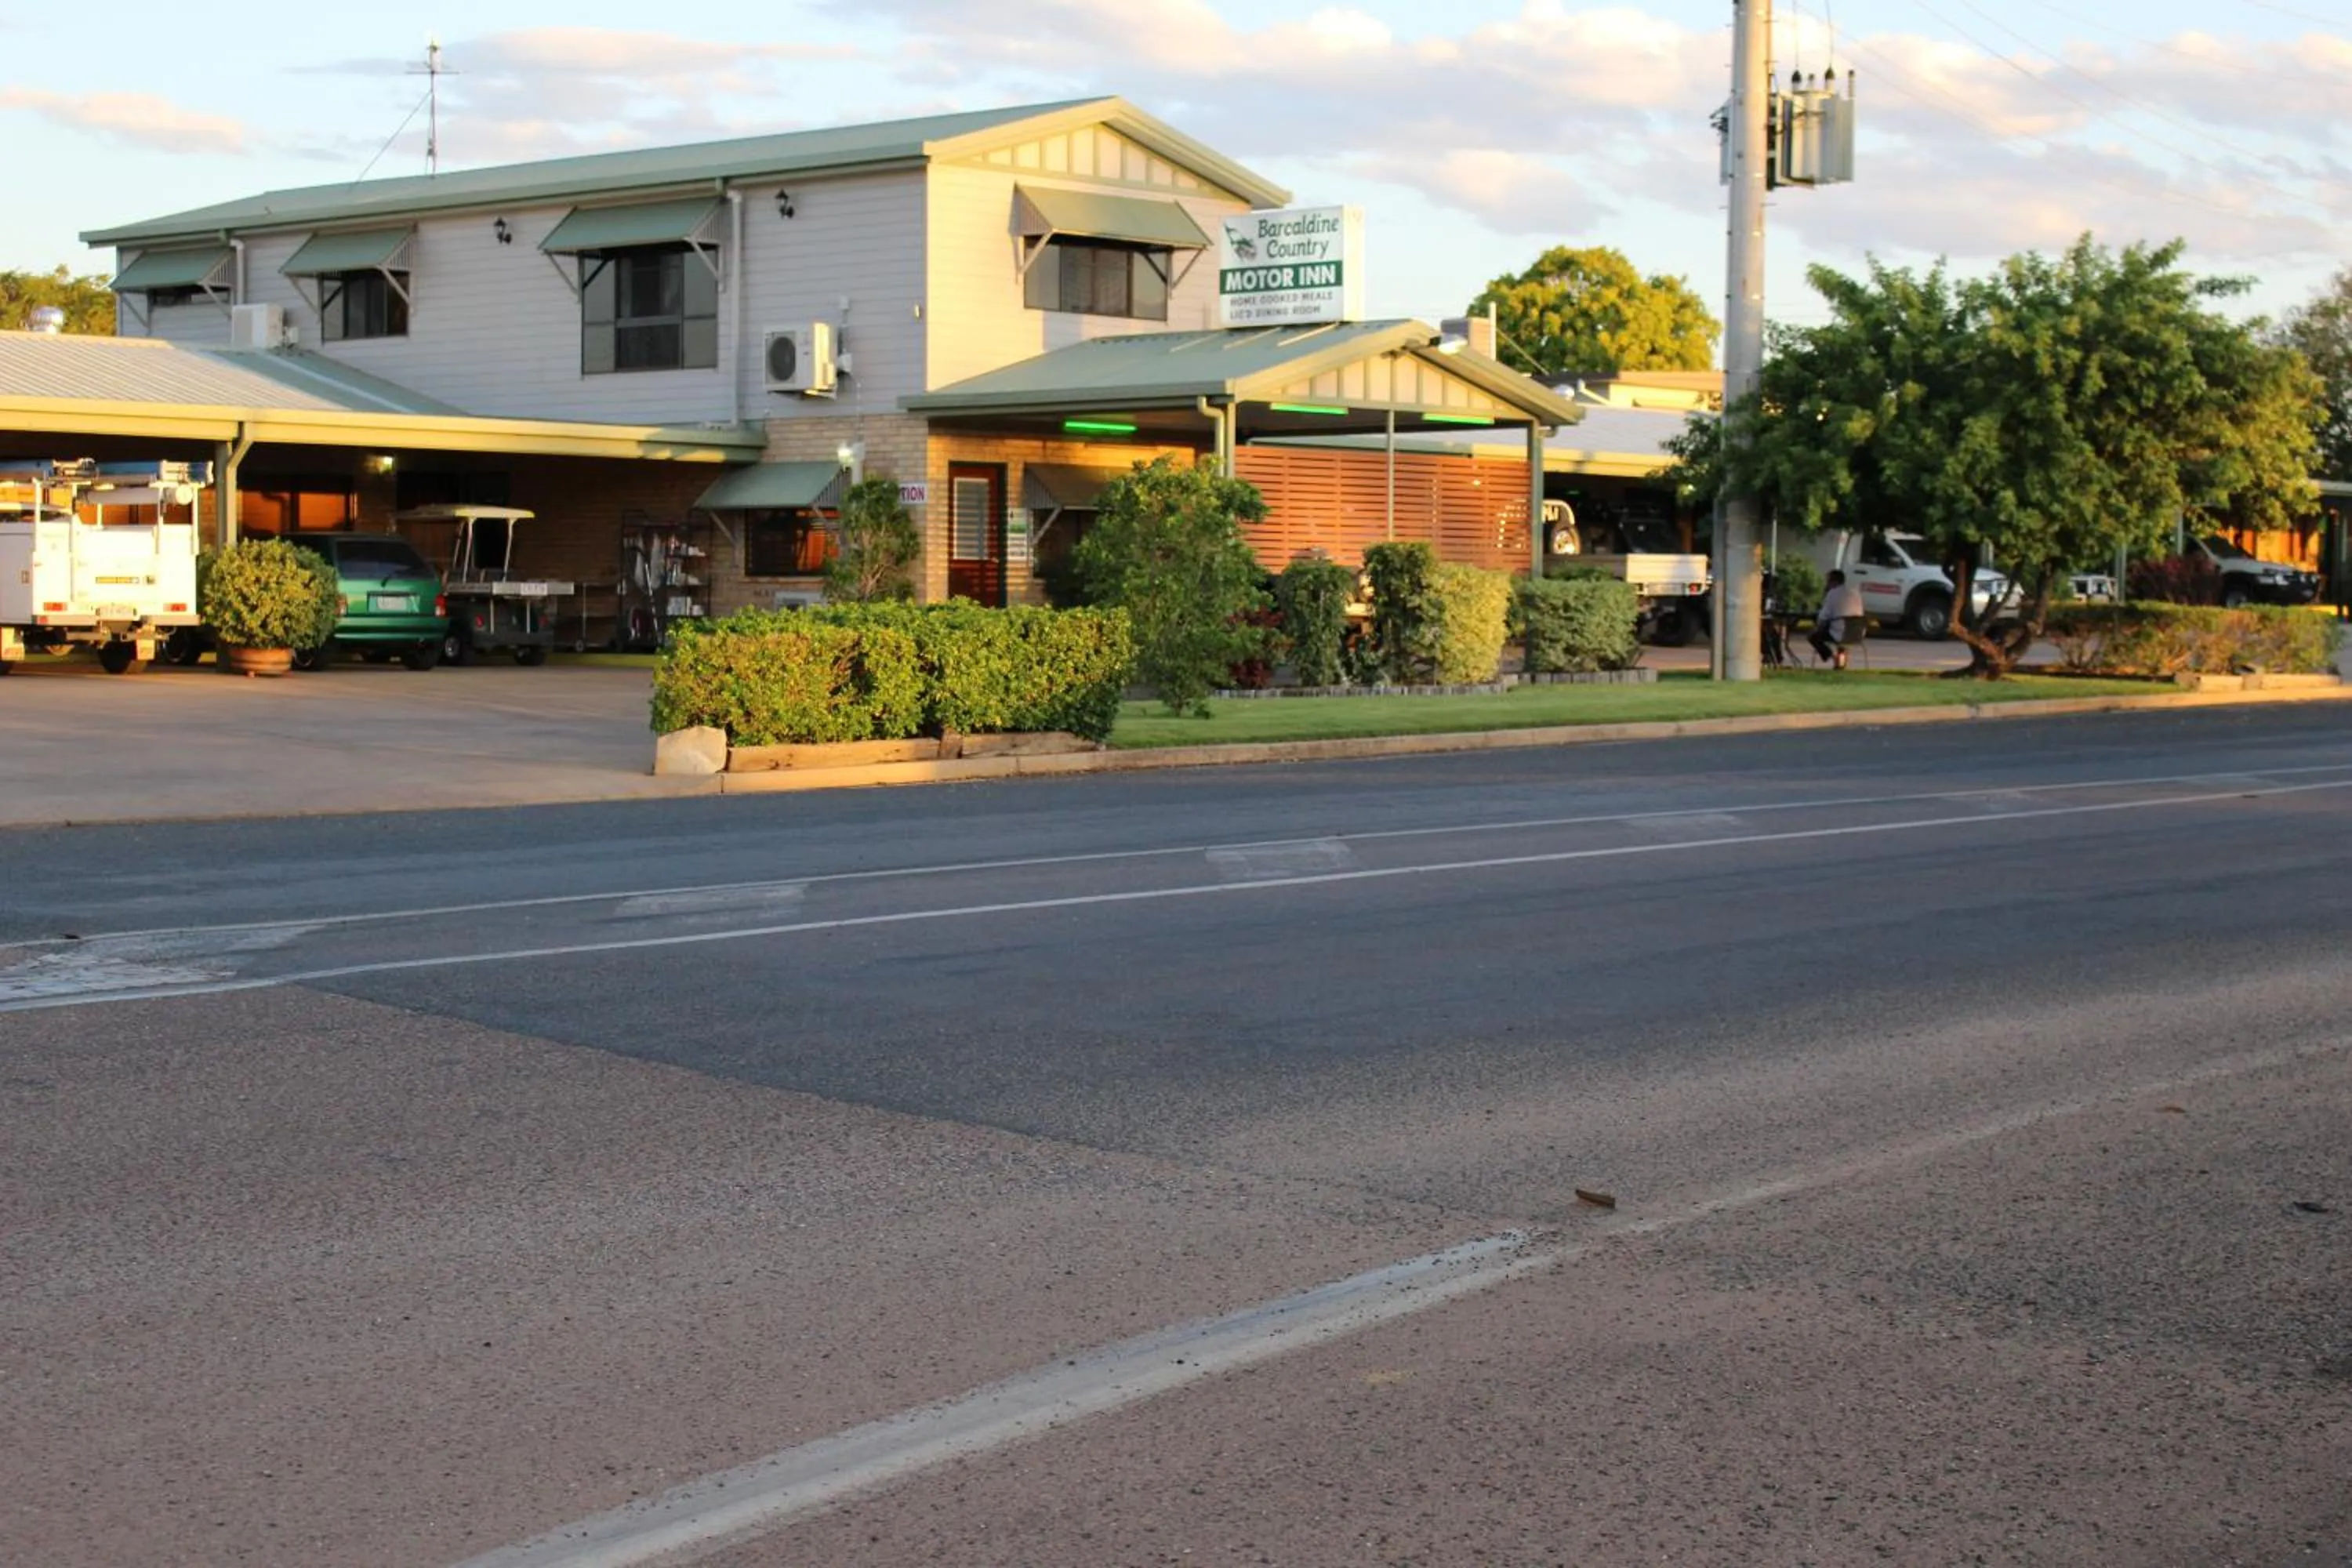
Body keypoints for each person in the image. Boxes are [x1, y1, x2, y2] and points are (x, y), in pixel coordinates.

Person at [1809, 568, 1866, 668]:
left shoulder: (1833, 593)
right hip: (1858, 633)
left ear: (1833, 582)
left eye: (1828, 581)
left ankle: (1833, 657)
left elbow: (1823, 617)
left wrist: (1818, 625)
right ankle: (1842, 660)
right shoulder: (1856, 593)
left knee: (1813, 636)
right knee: (1838, 628)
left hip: (1839, 633)